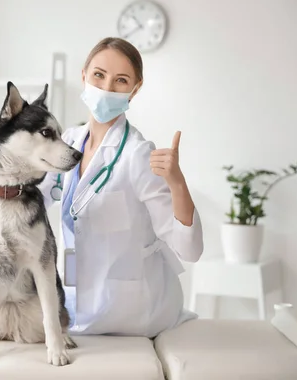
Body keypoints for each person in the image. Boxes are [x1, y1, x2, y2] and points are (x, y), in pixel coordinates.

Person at [38, 37, 204, 338]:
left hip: (131, 311)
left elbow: (190, 250)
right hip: (73, 301)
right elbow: (32, 197)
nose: (106, 88)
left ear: (135, 89)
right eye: (99, 75)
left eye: (121, 80)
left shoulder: (137, 154)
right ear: (84, 76)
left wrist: (177, 183)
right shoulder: (68, 143)